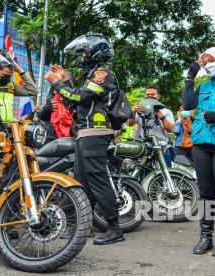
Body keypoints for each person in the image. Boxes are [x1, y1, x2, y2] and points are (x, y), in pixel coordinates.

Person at [44, 34, 124, 245]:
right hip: (84, 134)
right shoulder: (90, 74)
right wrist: (62, 81)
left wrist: (57, 84)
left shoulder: (102, 73)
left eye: (83, 52)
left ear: (94, 52)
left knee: (97, 180)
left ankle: (114, 228)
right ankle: (84, 226)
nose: (81, 56)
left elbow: (82, 96)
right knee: (82, 181)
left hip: (95, 134)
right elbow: (76, 103)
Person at [182, 47, 215, 257]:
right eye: (203, 63)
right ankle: (206, 237)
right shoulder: (204, 84)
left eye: (210, 60)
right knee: (206, 194)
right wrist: (190, 76)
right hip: (201, 142)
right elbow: (188, 103)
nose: (206, 65)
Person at [129, 86, 175, 166]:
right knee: (143, 174)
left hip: (162, 147)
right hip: (141, 147)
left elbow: (171, 129)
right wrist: (133, 112)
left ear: (158, 96)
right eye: (147, 94)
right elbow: (130, 124)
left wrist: (159, 114)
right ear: (144, 96)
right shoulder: (139, 109)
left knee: (167, 173)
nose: (150, 96)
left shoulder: (166, 111)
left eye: (153, 94)